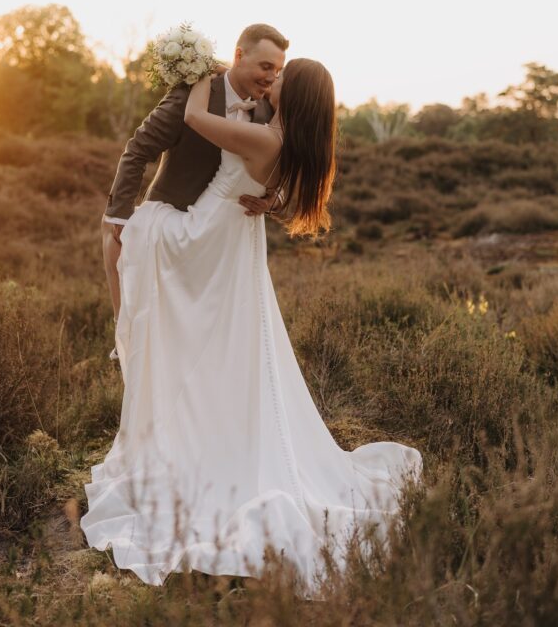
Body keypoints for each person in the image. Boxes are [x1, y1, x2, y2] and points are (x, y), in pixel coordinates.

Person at [82, 54, 424, 595]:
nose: (274, 80)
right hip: (232, 240)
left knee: (148, 238)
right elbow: (272, 174)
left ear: (297, 95)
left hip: (205, 238)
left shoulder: (268, 139)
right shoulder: (279, 134)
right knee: (224, 341)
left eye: (284, 77)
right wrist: (276, 196)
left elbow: (196, 119)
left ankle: (156, 381)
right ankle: (189, 403)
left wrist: (197, 71)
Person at [101, 24, 288, 330]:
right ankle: (127, 338)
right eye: (266, 66)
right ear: (239, 55)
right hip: (174, 225)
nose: (271, 77)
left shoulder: (268, 109)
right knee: (160, 323)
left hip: (225, 239)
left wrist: (273, 200)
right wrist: (119, 214)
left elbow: (280, 171)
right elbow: (137, 150)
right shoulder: (194, 93)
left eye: (278, 71)